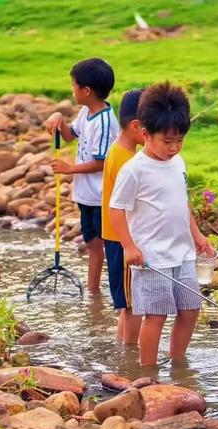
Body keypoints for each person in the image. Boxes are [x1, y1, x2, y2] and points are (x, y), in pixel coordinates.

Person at [109, 82, 214, 367]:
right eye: (167, 141)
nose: (174, 147)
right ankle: (148, 370)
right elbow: (116, 209)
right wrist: (129, 246)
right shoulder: (134, 169)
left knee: (191, 308)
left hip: (182, 253)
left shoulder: (178, 162)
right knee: (156, 315)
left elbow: (182, 203)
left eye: (179, 140)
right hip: (151, 257)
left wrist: (197, 235)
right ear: (144, 134)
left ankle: (178, 362)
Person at [45, 57, 119, 294]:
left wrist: (69, 169)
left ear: (86, 90)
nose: (72, 90)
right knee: (92, 244)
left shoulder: (106, 121)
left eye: (73, 86)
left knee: (107, 245)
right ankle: (93, 293)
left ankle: (118, 288)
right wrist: (58, 117)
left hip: (100, 195)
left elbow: (102, 162)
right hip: (85, 195)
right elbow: (70, 135)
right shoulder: (86, 111)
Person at [101, 89, 145, 344]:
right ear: (136, 126)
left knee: (125, 304)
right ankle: (129, 356)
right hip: (122, 239)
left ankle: (122, 349)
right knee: (131, 305)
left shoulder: (120, 150)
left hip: (116, 238)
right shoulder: (127, 161)